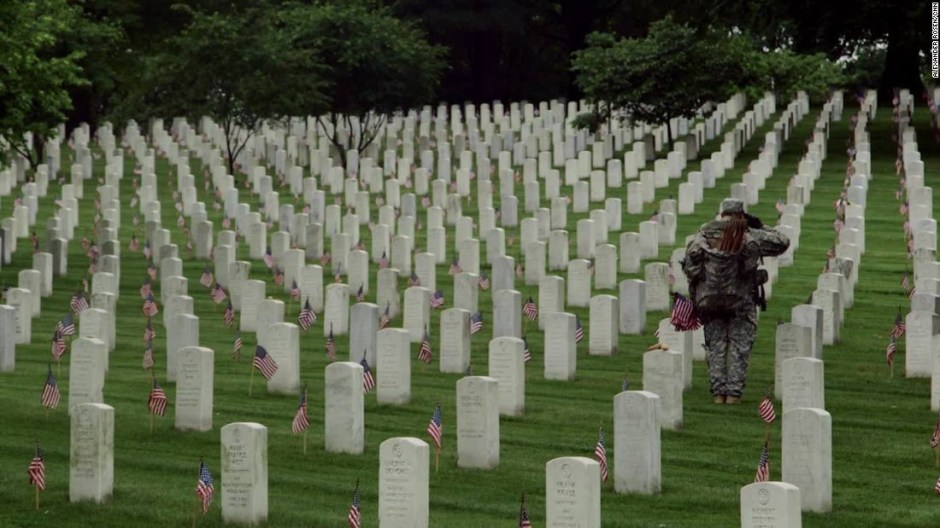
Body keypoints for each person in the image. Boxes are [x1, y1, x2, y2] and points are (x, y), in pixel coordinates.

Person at [681, 198, 789, 404]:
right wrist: (759, 225)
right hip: (741, 300)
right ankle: (733, 395)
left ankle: (718, 394)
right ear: (741, 215)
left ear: (722, 214)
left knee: (716, 346)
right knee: (739, 346)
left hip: (709, 300)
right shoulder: (748, 234)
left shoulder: (703, 234)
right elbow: (782, 242)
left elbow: (689, 267)